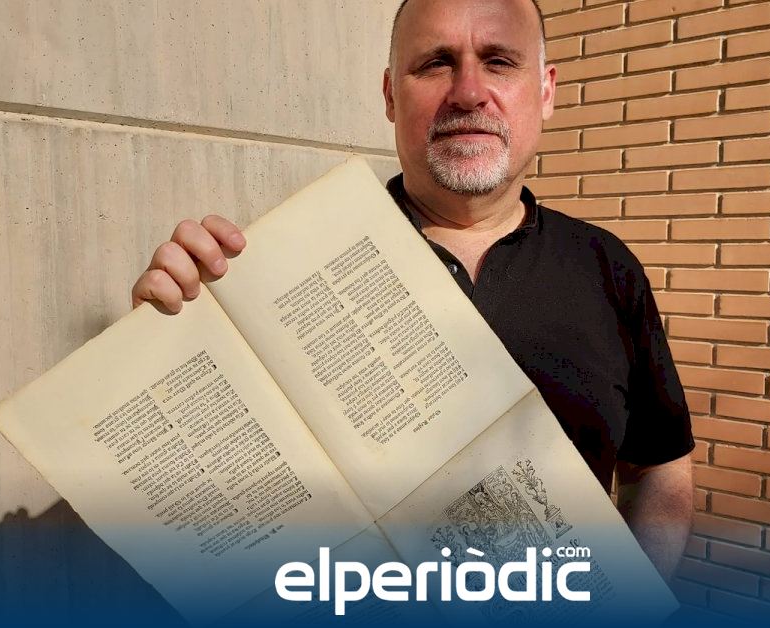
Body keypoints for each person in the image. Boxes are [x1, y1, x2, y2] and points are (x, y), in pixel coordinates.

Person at [130, 0, 695, 581]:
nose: (468, 92)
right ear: (390, 95)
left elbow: (660, 467)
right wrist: (159, 347)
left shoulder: (607, 267)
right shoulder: (282, 273)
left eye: (499, 62)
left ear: (545, 91)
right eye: (435, 63)